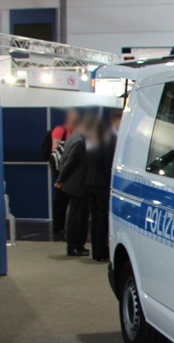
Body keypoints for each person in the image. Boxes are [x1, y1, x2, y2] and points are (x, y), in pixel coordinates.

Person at [56, 115, 94, 257]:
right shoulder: (79, 142)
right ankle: (74, 246)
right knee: (78, 217)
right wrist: (60, 179)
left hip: (73, 184)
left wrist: (62, 179)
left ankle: (76, 245)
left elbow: (65, 161)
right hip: (78, 185)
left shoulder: (72, 138)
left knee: (76, 215)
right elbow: (70, 163)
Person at [85, 110, 121, 261]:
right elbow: (108, 165)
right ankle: (101, 253)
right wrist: (111, 185)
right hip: (102, 185)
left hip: (91, 182)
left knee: (95, 219)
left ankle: (96, 251)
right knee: (102, 220)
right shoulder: (112, 139)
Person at [51, 108, 80, 237]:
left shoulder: (76, 133)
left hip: (72, 171)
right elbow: (55, 149)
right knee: (61, 200)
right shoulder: (60, 130)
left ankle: (68, 227)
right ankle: (58, 226)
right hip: (62, 169)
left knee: (70, 201)